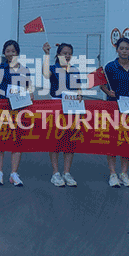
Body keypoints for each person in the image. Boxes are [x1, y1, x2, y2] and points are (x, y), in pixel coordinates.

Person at [100, 37, 129, 187]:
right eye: (121, 48)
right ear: (117, 50)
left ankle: (124, 173)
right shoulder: (110, 67)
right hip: (114, 107)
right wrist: (108, 92)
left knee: (127, 139)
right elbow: (102, 85)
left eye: (127, 48)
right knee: (113, 139)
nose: (124, 51)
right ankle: (113, 173)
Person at [0, 38, 31, 187]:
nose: (11, 53)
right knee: (0, 140)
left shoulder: (24, 70)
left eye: (13, 51)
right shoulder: (0, 67)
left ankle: (14, 173)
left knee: (16, 141)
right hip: (2, 109)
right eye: (8, 51)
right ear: (4, 53)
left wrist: (30, 93)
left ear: (18, 53)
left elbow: (28, 87)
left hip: (18, 109)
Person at [42, 41, 80, 187]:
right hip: (56, 107)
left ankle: (67, 172)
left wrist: (79, 94)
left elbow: (78, 88)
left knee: (69, 140)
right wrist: (46, 54)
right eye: (64, 53)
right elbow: (45, 74)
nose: (67, 56)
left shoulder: (75, 70)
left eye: (70, 53)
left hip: (71, 107)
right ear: (58, 55)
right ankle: (55, 173)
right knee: (56, 139)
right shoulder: (53, 68)